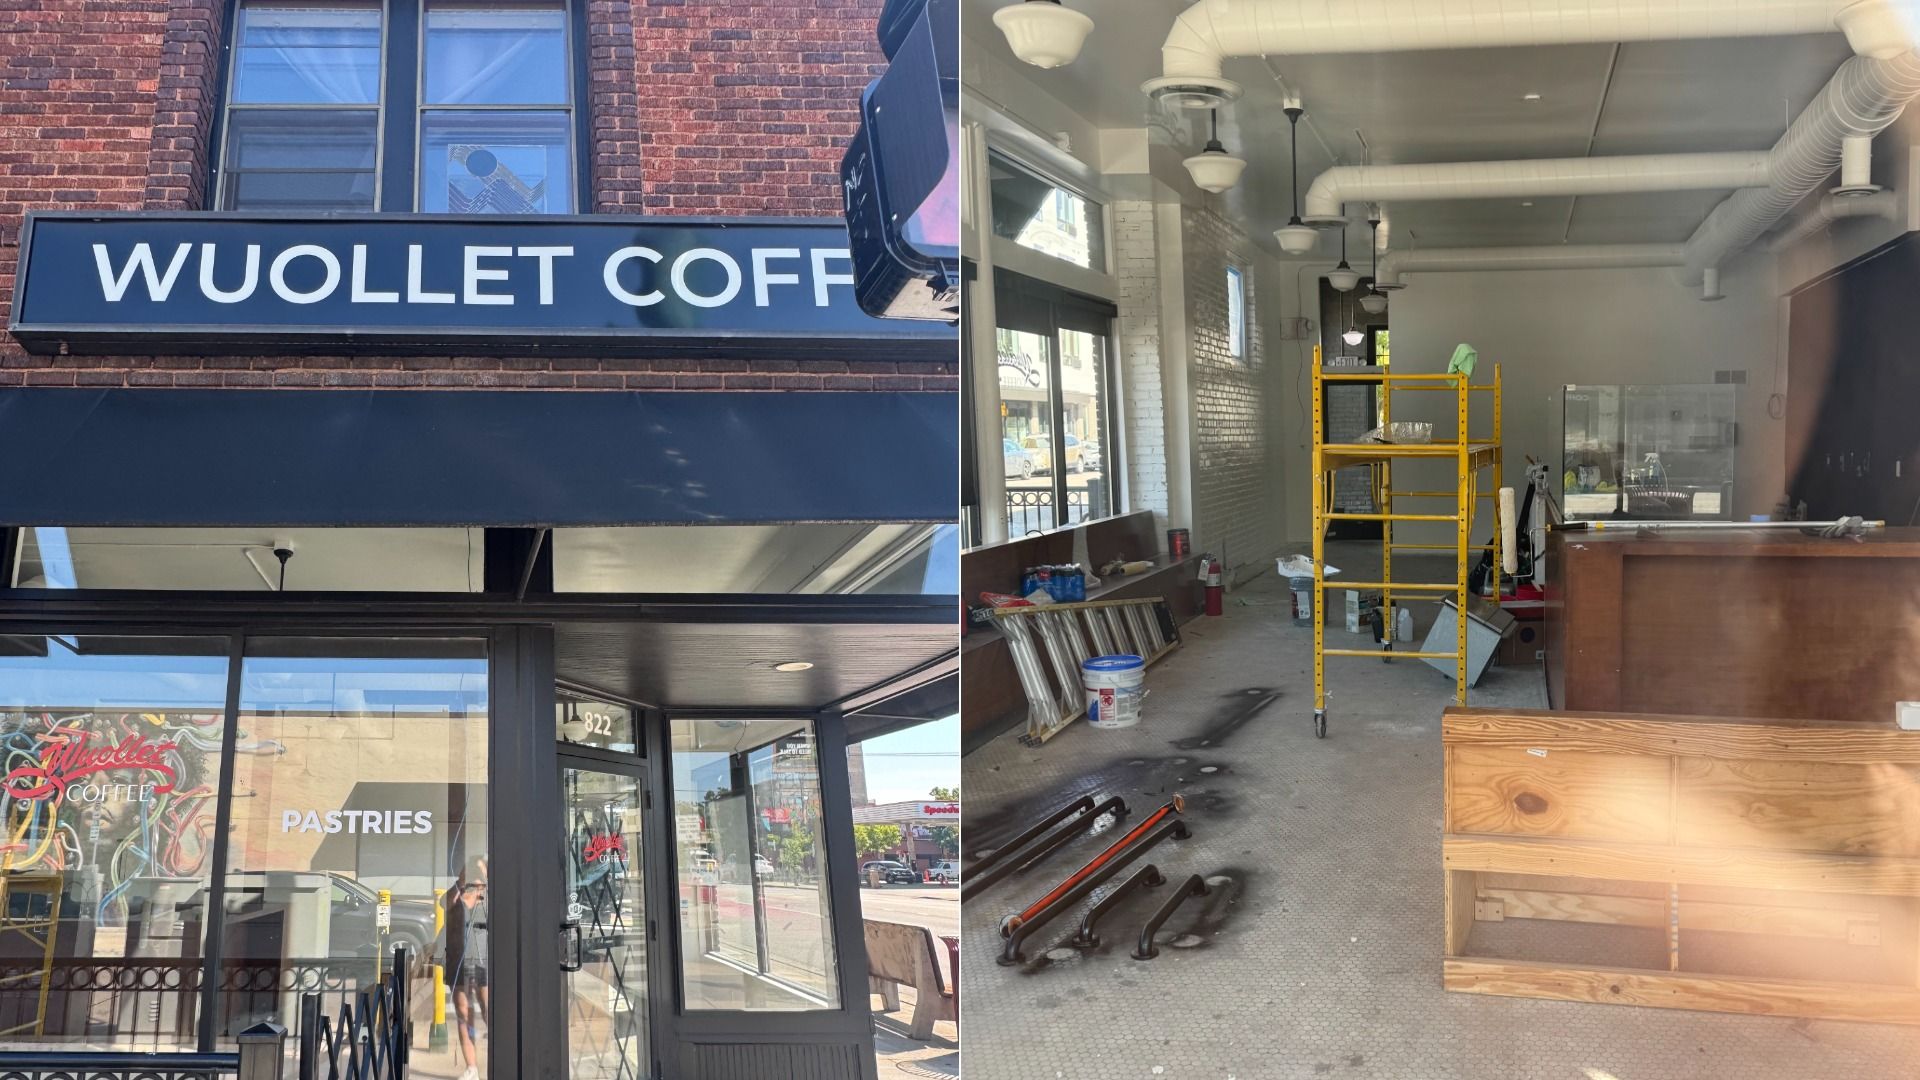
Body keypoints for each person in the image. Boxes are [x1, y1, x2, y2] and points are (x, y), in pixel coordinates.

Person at [441, 856, 489, 1080]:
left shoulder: (489, 896)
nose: (479, 878)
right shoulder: (458, 896)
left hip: (484, 959)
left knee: (489, 1008)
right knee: (463, 1010)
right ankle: (472, 1068)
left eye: (482, 874)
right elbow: (445, 903)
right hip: (460, 960)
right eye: (474, 873)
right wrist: (461, 884)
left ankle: (500, 1057)